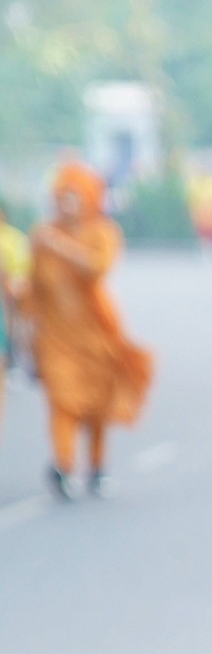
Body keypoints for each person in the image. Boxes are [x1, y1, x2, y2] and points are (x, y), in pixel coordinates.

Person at [27, 161, 155, 500]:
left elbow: (97, 267)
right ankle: (64, 466)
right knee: (62, 401)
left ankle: (97, 466)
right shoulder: (42, 235)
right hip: (55, 337)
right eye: (63, 195)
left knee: (96, 403)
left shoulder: (101, 233)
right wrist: (26, 336)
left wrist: (60, 246)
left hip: (96, 333)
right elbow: (33, 289)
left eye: (75, 196)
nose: (67, 203)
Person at [0, 199, 31, 441]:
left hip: (11, 296)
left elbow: (22, 269)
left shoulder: (13, 238)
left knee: (15, 328)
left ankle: (16, 360)